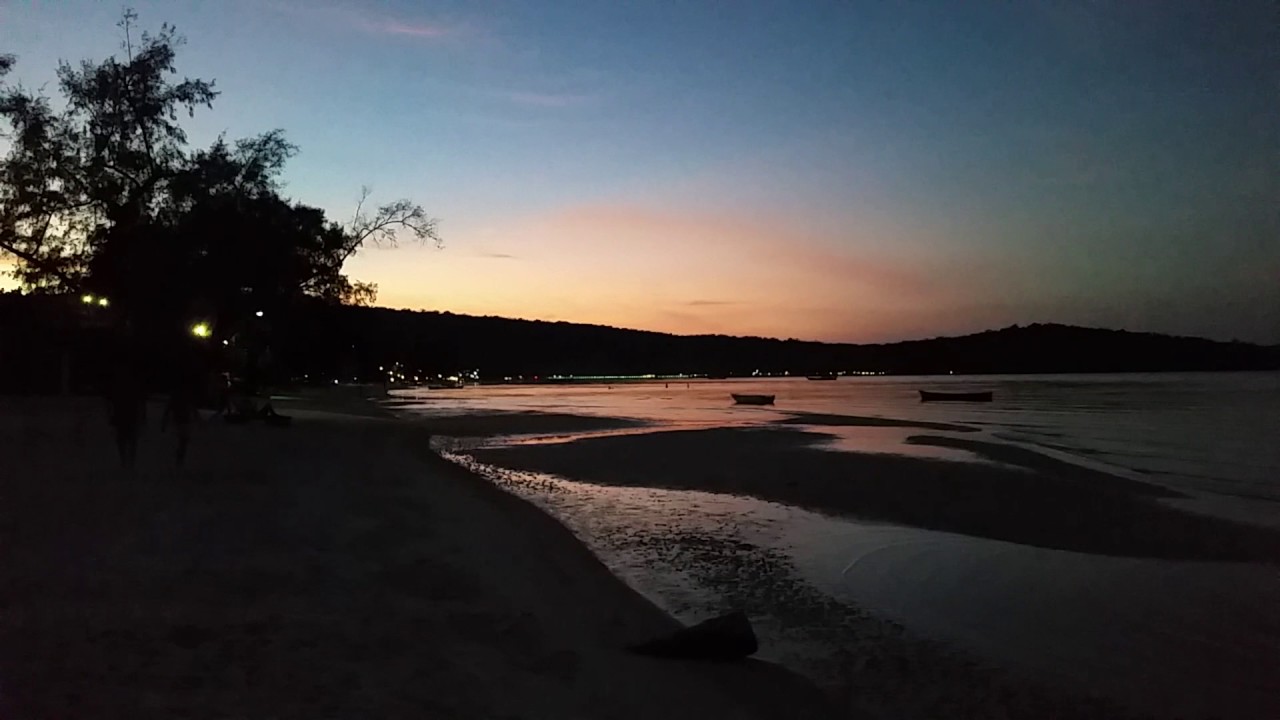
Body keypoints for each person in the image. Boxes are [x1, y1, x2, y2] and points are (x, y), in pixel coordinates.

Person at [161, 380, 197, 468]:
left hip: (182, 420)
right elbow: (192, 408)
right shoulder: (181, 396)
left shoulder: (177, 396)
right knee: (183, 441)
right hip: (181, 420)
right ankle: (179, 459)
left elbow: (167, 410)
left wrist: (164, 423)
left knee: (183, 441)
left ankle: (179, 458)